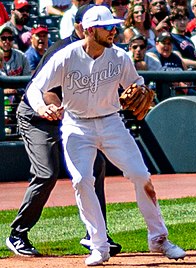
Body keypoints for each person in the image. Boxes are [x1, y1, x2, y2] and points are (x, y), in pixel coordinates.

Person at [22, 5, 186, 266]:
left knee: (141, 175)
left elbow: (137, 84)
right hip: (77, 126)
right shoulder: (66, 56)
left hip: (112, 123)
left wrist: (140, 90)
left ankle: (159, 239)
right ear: (89, 30)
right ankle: (99, 245)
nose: (113, 30)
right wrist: (43, 107)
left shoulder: (120, 57)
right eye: (107, 26)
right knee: (81, 179)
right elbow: (35, 88)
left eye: (114, 26)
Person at [5, 4, 121, 258]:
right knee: (47, 173)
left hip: (69, 119)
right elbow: (45, 89)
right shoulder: (63, 50)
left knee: (96, 166)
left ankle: (96, 234)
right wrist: (54, 108)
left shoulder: (101, 53)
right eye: (102, 25)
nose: (108, 30)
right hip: (38, 116)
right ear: (81, 27)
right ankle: (17, 233)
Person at [145, 31, 194, 97]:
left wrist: (185, 84)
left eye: (169, 43)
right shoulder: (152, 55)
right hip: (162, 92)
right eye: (164, 43)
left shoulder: (175, 57)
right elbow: (159, 76)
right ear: (156, 44)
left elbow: (187, 75)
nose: (167, 46)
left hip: (181, 91)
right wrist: (179, 84)